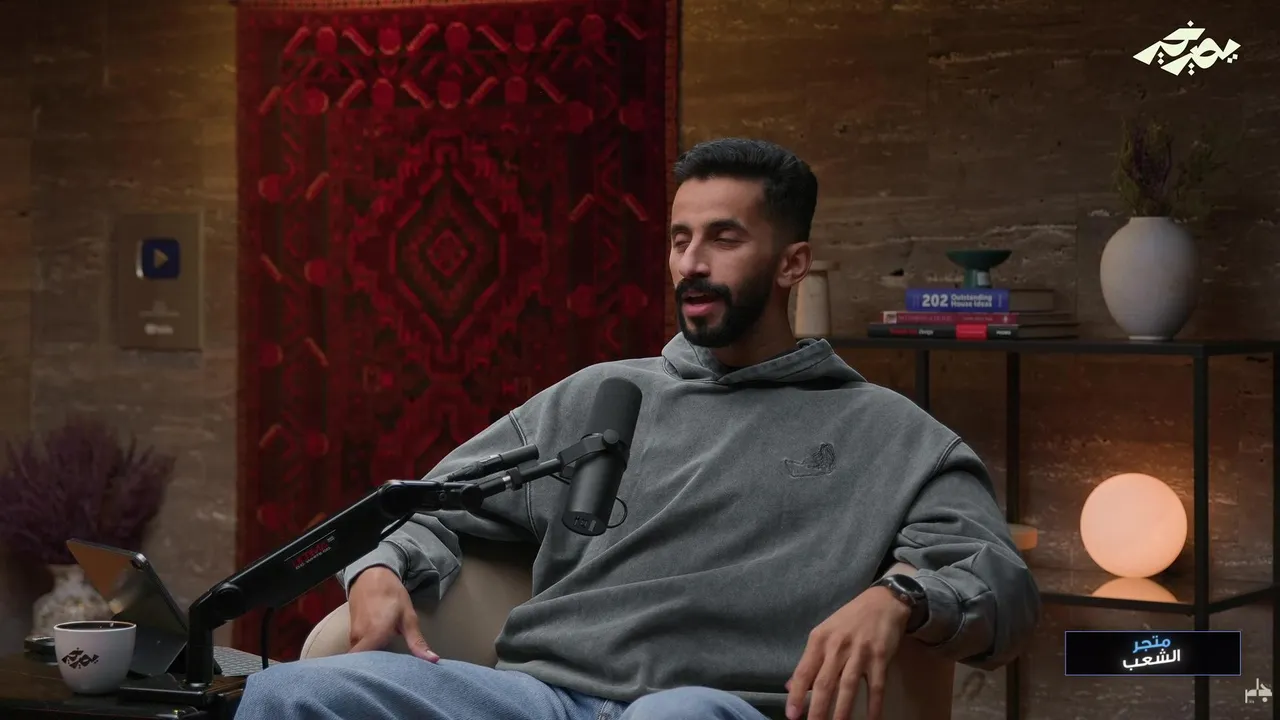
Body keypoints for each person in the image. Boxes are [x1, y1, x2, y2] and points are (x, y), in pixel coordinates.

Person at [235, 138, 1041, 720]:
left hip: (704, 706)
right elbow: (428, 504)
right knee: (287, 694)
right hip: (538, 698)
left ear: (793, 264)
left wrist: (899, 597)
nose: (692, 264)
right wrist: (377, 571)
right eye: (681, 240)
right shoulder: (601, 397)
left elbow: (1000, 586)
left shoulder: (890, 433)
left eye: (724, 238)